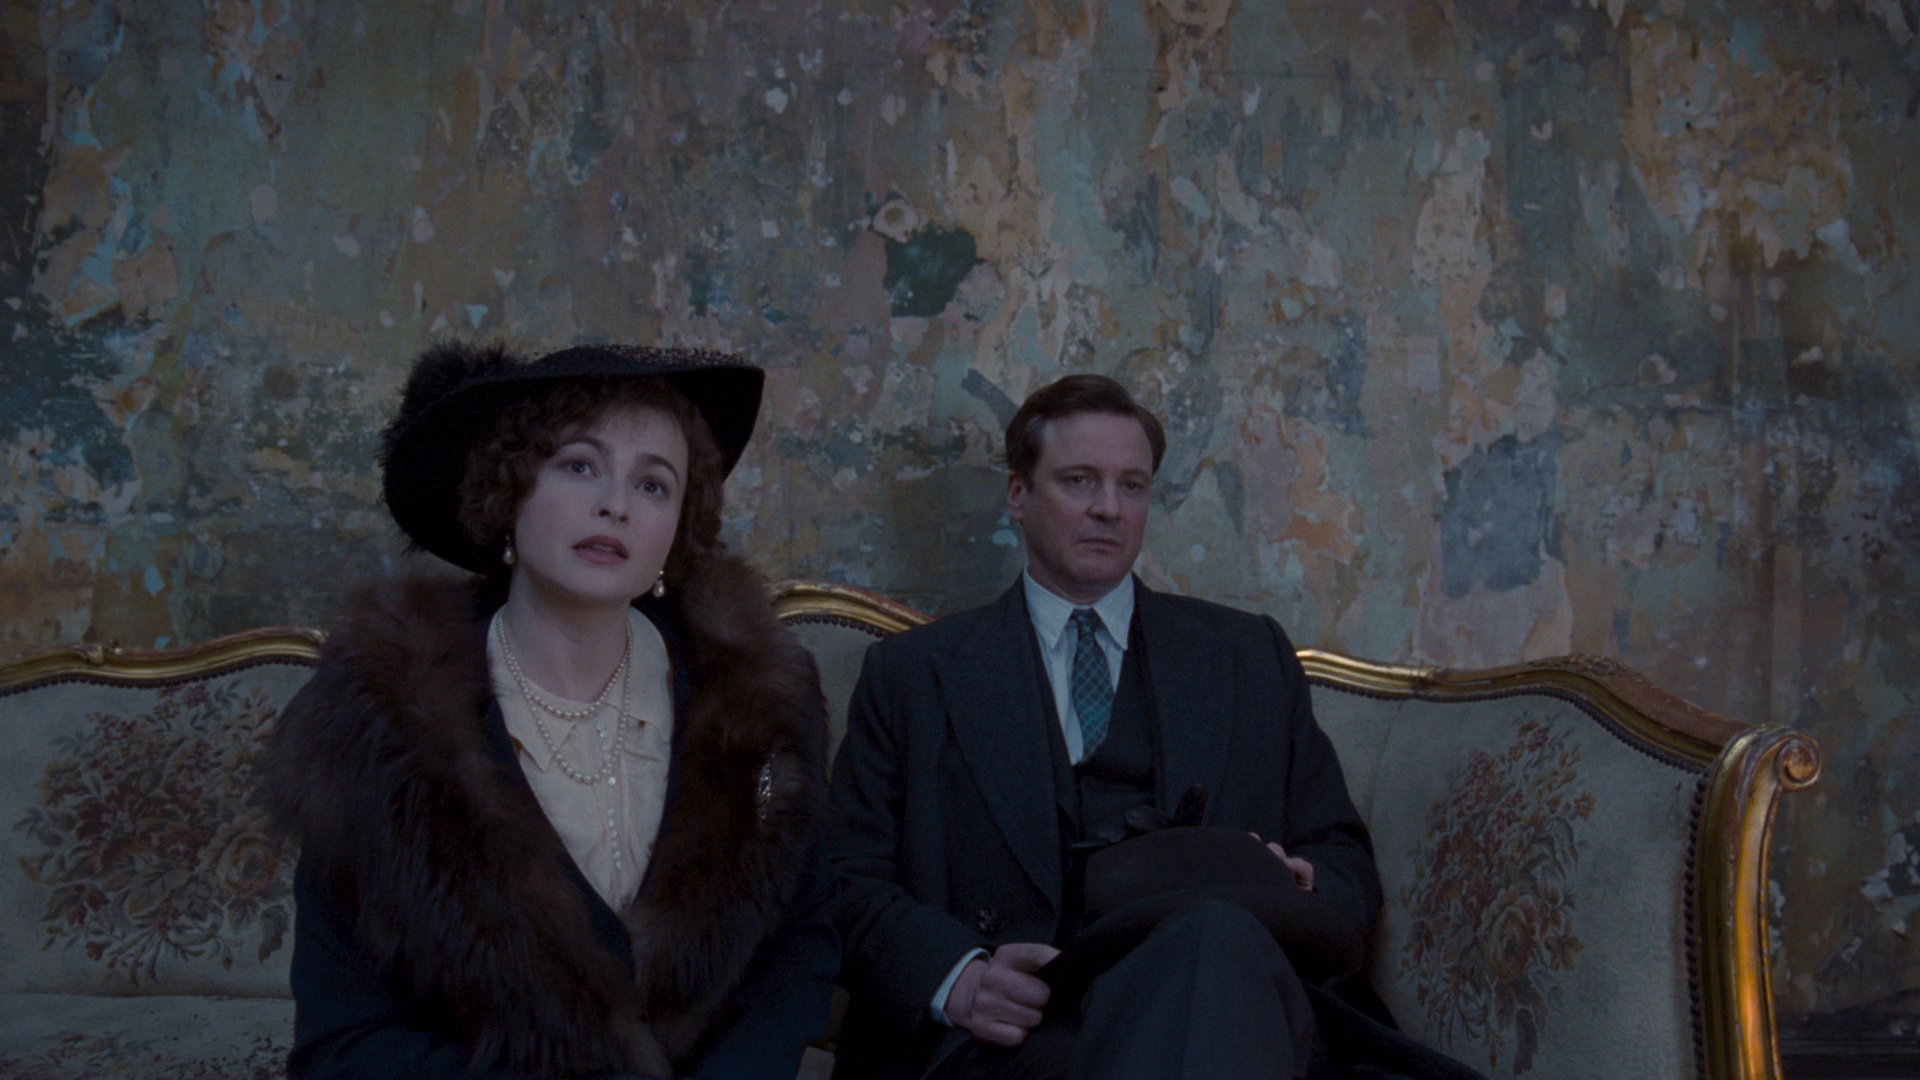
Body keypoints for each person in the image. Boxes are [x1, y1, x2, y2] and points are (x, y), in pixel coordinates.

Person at [828, 374, 1473, 1080]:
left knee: (1215, 936)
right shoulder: (913, 677)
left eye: (1131, 487)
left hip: (1231, 1001)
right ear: (1018, 494)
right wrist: (963, 979)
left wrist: (1299, 883)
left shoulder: (1247, 657)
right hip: (1022, 1038)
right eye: (1079, 481)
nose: (1109, 508)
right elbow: (846, 880)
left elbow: (1344, 859)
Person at [263, 342, 838, 1080]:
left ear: (677, 529)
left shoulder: (759, 709)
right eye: (579, 466)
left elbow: (796, 944)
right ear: (508, 491)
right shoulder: (377, 730)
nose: (616, 504)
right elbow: (345, 1045)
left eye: (653, 484)